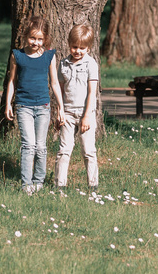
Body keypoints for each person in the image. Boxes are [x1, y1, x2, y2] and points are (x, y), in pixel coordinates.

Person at [5, 16, 65, 195]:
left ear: (45, 39)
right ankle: (26, 184)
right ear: (26, 36)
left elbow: (54, 83)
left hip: (43, 107)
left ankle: (39, 181)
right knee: (28, 145)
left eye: (40, 39)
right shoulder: (18, 55)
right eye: (32, 38)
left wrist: (61, 107)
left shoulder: (49, 56)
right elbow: (12, 82)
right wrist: (8, 103)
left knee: (41, 146)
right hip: (24, 107)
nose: (36, 42)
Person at [54, 24, 99, 191]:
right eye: (74, 47)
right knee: (64, 150)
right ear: (69, 44)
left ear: (88, 48)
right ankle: (60, 186)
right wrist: (59, 112)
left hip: (85, 113)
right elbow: (59, 89)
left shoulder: (91, 64)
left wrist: (87, 116)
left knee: (88, 151)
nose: (77, 51)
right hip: (67, 113)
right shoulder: (64, 63)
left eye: (82, 48)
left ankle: (93, 186)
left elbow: (92, 92)